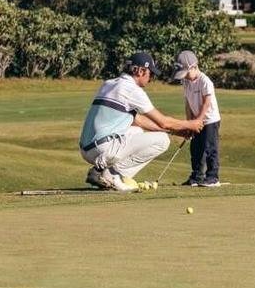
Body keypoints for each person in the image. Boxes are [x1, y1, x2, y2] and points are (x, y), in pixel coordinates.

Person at [79, 51, 203, 192]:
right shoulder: (132, 90)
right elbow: (163, 121)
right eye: (150, 73)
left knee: (137, 131)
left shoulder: (108, 84)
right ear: (140, 71)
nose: (150, 78)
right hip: (102, 149)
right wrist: (190, 124)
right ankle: (113, 174)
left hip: (86, 149)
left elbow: (138, 121)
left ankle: (105, 172)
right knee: (162, 140)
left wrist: (176, 131)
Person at [172, 50, 222, 187]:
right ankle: (197, 177)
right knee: (196, 149)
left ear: (194, 67)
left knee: (210, 148)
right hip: (195, 121)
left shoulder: (205, 81)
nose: (185, 77)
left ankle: (213, 177)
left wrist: (199, 119)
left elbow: (207, 102)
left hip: (210, 120)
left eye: (186, 73)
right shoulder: (186, 82)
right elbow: (188, 103)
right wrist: (189, 124)